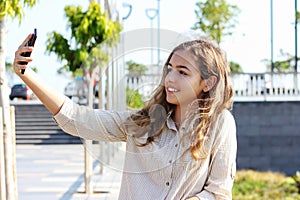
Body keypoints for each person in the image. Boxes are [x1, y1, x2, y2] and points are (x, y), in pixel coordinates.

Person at [14, 34, 237, 200]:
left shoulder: (220, 124)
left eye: (183, 72)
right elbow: (77, 119)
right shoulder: (143, 123)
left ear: (208, 82)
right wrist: (27, 75)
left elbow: (218, 191)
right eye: (169, 69)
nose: (170, 78)